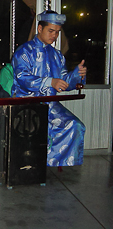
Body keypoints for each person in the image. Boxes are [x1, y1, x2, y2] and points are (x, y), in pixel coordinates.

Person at [11, 10, 87, 167]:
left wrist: (77, 75)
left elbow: (64, 82)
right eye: (51, 31)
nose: (54, 35)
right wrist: (49, 82)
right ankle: (34, 163)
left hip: (50, 104)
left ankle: (46, 162)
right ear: (40, 29)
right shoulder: (24, 52)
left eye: (57, 32)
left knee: (75, 125)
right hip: (26, 104)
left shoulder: (57, 55)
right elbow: (22, 78)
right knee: (37, 127)